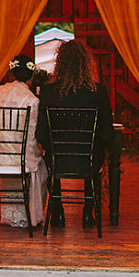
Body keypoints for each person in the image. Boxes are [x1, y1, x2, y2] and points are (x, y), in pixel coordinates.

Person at [36, 39, 114, 228]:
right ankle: (88, 212)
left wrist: (52, 146)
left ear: (60, 63)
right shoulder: (98, 92)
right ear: (86, 64)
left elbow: (41, 133)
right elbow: (107, 133)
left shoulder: (48, 92)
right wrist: (97, 146)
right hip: (89, 159)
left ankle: (57, 211)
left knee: (49, 160)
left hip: (58, 158)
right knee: (93, 153)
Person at [0, 54, 47, 228]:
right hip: (19, 158)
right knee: (40, 167)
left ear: (12, 73)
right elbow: (30, 137)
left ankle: (10, 214)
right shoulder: (32, 100)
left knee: (27, 161)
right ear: (32, 75)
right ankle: (30, 216)